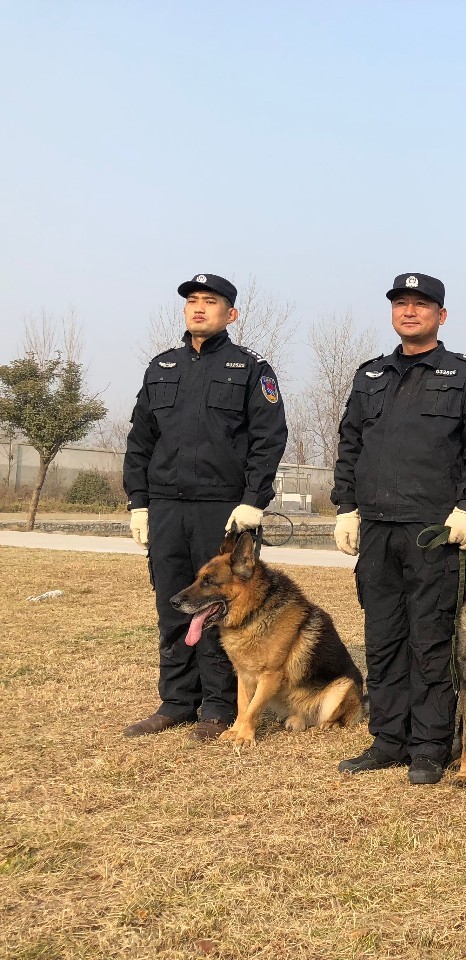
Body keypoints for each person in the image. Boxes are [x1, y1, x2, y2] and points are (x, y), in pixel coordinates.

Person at [331, 272, 466, 785]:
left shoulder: (465, 375)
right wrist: (346, 506)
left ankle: (428, 745)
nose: (410, 312)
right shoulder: (370, 376)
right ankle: (387, 739)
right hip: (378, 531)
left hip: (434, 532)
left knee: (430, 641)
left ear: (441, 316)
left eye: (421, 305)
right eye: (401, 304)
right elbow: (350, 444)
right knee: (383, 637)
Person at [123, 273, 288, 742]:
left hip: (224, 509)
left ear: (230, 313)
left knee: (222, 606)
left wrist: (254, 502)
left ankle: (218, 707)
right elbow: (140, 439)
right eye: (192, 301)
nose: (198, 308)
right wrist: (139, 502)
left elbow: (269, 438)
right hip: (167, 507)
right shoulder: (161, 367)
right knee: (172, 600)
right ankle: (177, 700)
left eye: (210, 302)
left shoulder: (250, 368)